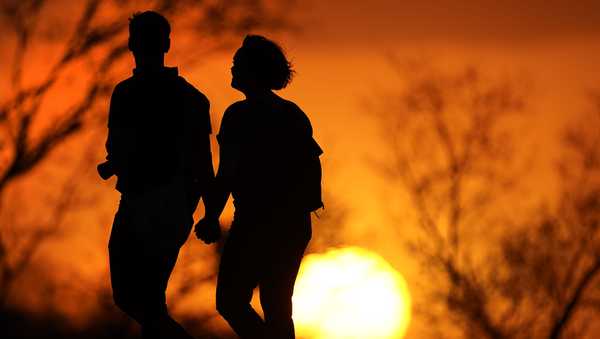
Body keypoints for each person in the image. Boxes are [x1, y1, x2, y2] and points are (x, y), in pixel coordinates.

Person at [195, 35, 323, 339]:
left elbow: (226, 174)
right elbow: (313, 167)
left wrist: (212, 216)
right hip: (292, 224)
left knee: (231, 301)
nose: (232, 68)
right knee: (277, 306)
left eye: (238, 64)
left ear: (254, 70)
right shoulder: (293, 114)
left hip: (257, 222)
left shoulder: (239, 116)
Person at [98, 11, 213, 339]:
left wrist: (211, 212)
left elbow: (201, 162)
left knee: (141, 299)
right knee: (140, 300)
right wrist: (209, 211)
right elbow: (202, 162)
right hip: (143, 202)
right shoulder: (129, 94)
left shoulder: (182, 98)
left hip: (167, 202)